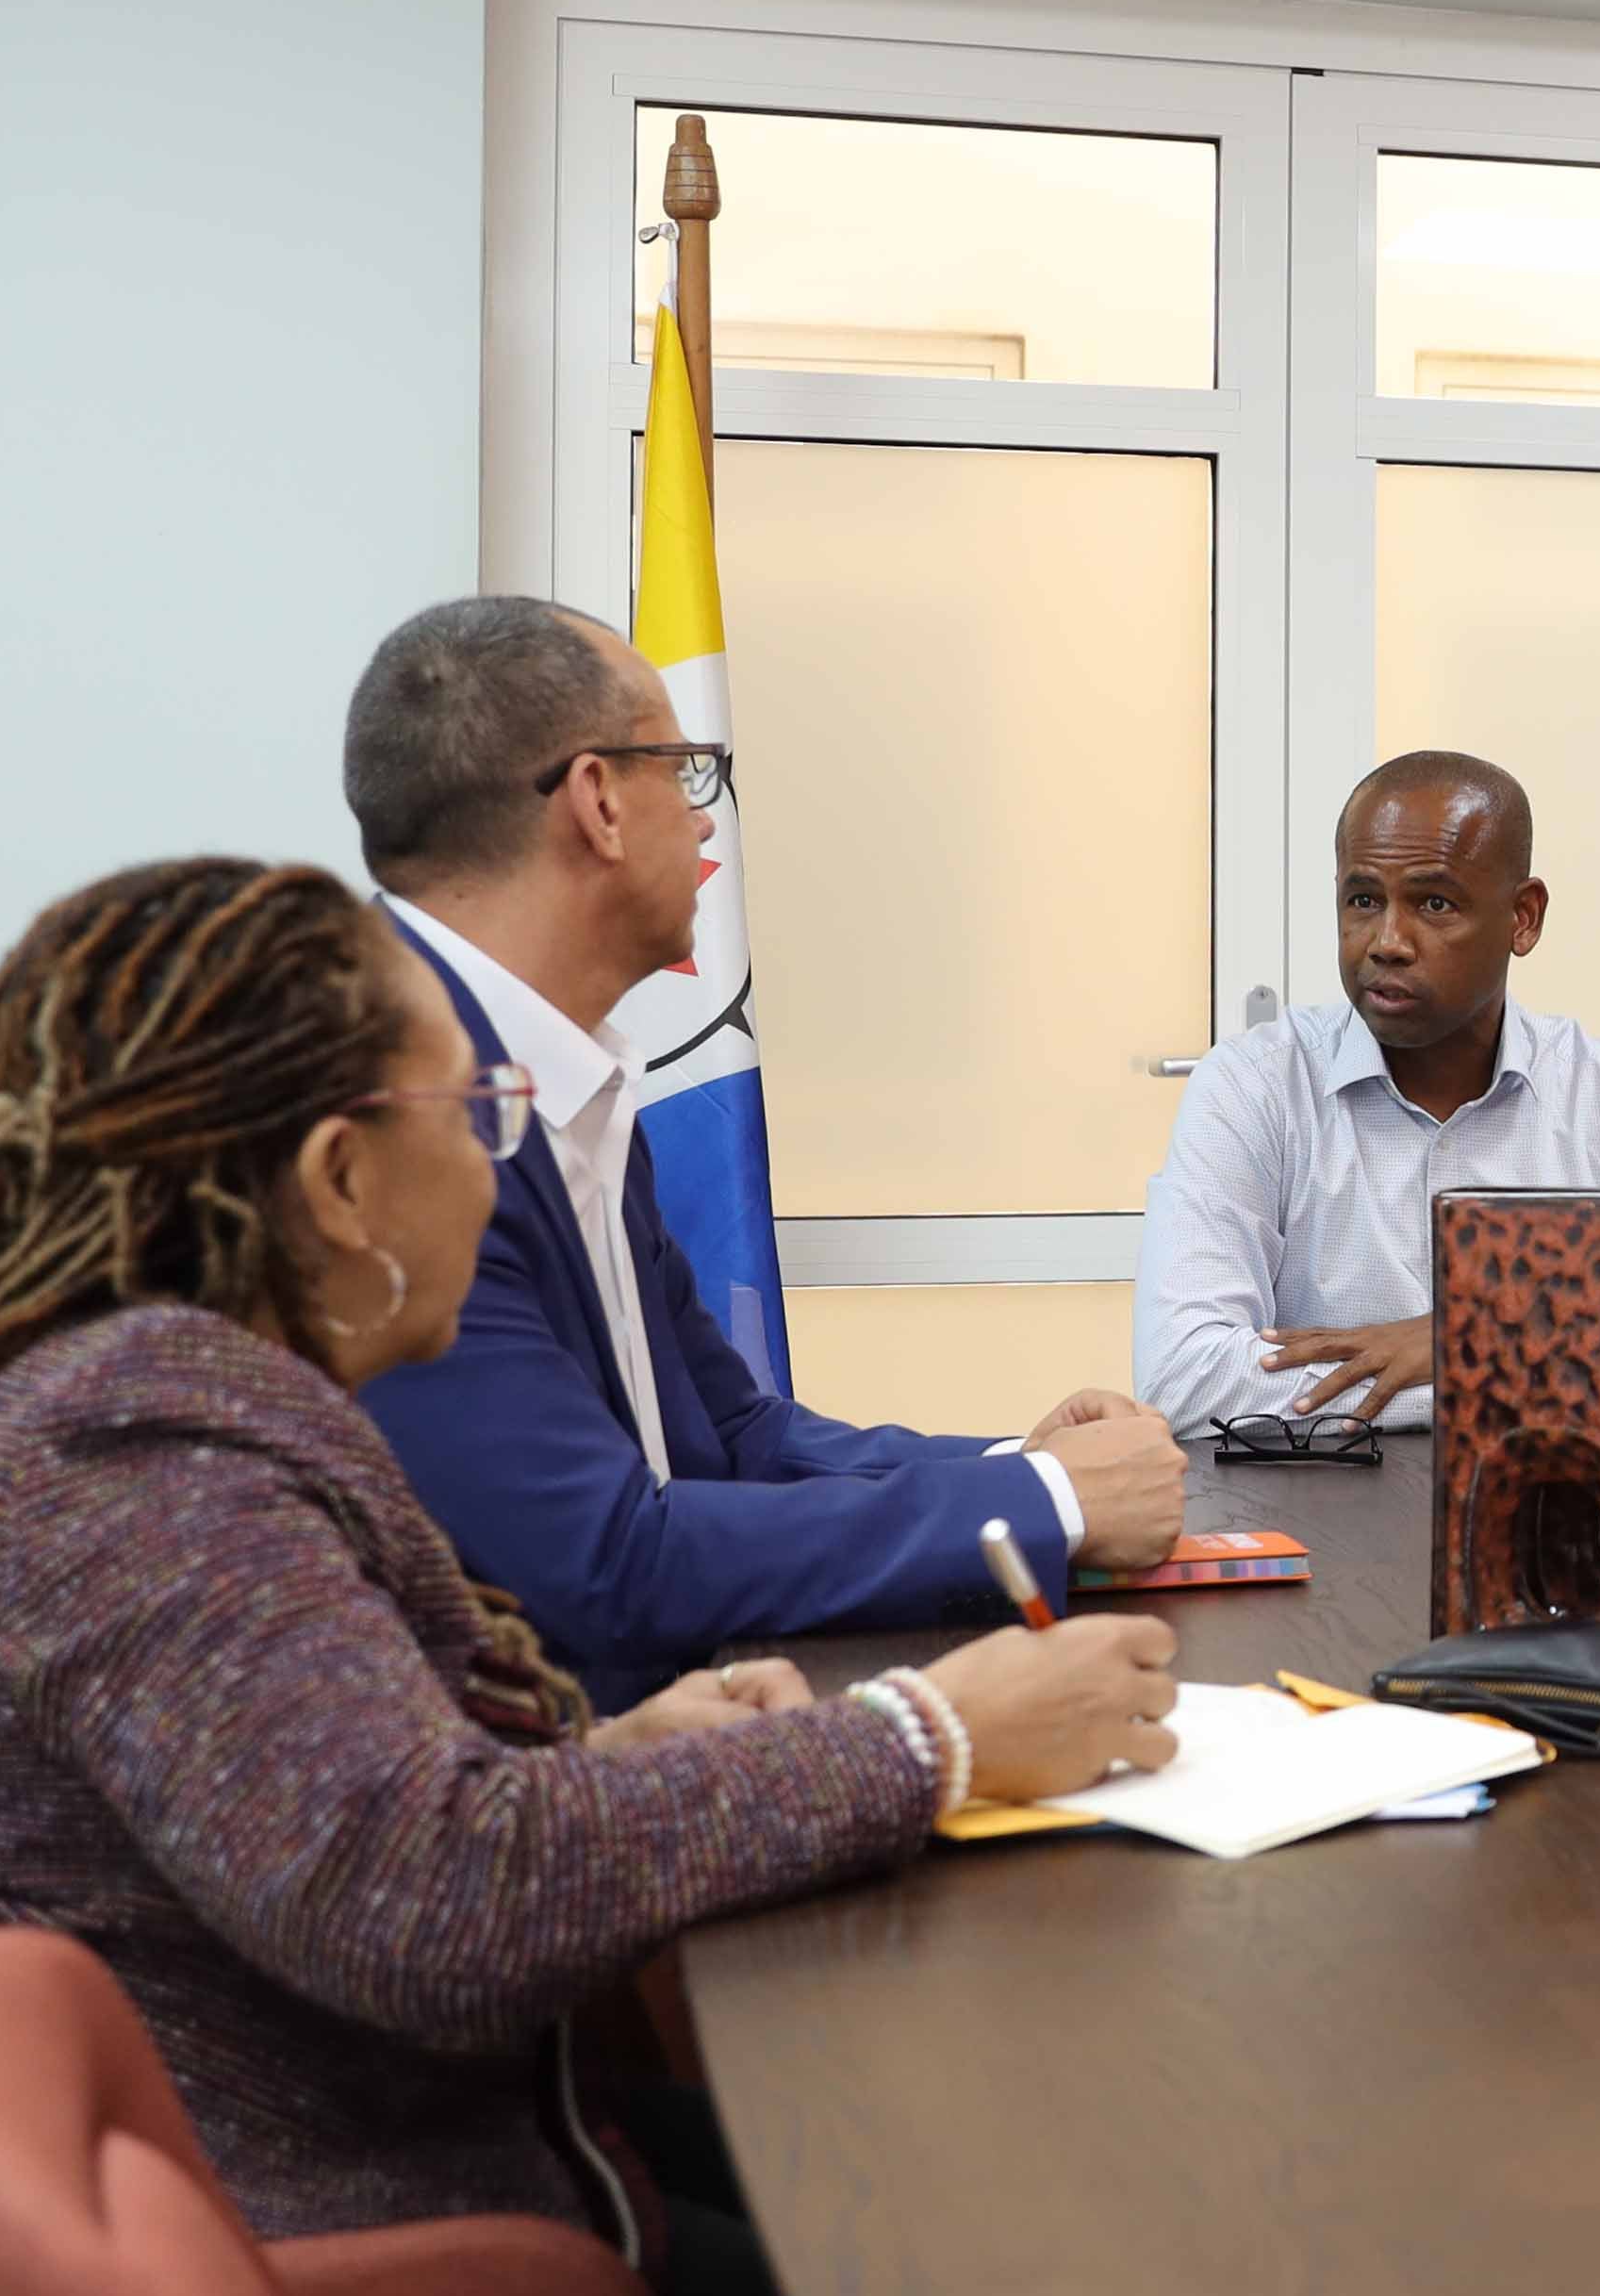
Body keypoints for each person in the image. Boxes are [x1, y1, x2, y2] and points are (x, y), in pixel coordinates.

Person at [0, 857, 1182, 2296]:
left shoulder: (118, 1392)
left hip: (254, 2183)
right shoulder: (140, 1460)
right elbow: (439, 1907)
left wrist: (599, 1753)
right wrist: (936, 1736)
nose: (498, 1164)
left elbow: (319, 1809)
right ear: (338, 1179)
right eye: (476, 1113)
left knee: (938, 2203)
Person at [338, 599, 1189, 1711]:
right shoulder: (402, 1110)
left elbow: (729, 1433)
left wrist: (1004, 1464)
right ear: (596, 800)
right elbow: (601, 1560)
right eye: (685, 772)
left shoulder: (568, 1070)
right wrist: (1045, 1505)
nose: (707, 826)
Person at [1136, 750, 1600, 1434]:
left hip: (1556, 1524)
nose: (1387, 942)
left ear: (1523, 918)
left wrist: (1465, 1341)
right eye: (1363, 900)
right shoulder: (1255, 1086)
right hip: (1319, 1522)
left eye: (1434, 903)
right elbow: (1184, 1375)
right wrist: (1547, 1366)